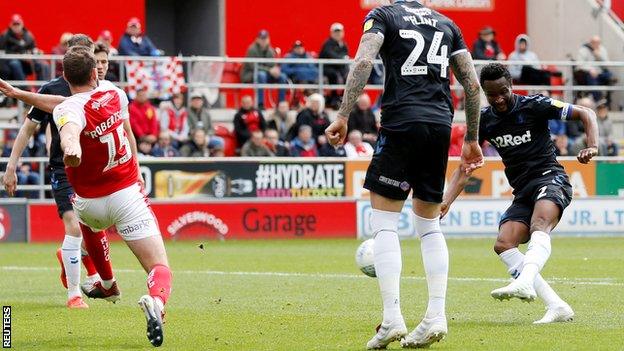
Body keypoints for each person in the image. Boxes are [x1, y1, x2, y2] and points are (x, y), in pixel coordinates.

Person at [324, 1, 484, 348]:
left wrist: (342, 114)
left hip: (401, 121)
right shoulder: (447, 22)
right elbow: (472, 85)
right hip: (440, 124)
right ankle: (435, 316)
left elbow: (365, 60)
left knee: (383, 222)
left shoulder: (383, 15)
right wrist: (471, 138)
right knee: (428, 225)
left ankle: (392, 318)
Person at [443, 63, 598, 326]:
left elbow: (586, 113)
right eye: (492, 95)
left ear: (511, 86)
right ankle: (556, 305)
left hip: (551, 178)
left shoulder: (535, 106)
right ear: (484, 93)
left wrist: (592, 146)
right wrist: (445, 201)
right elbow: (465, 165)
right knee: (504, 243)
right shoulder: (483, 121)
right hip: (523, 190)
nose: (499, 99)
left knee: (540, 224)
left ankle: (524, 282)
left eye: (503, 91)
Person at [52, 46, 171, 347]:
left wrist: (71, 148)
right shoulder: (116, 96)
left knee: (87, 223)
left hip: (90, 204)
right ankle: (156, 303)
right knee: (159, 267)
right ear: (95, 72)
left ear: (65, 77)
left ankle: (107, 284)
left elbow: (69, 128)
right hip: (126, 195)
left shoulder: (66, 108)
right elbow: (121, 133)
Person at [0, 34, 118, 309]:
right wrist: (11, 166)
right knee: (75, 227)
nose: (94, 65)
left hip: (96, 170)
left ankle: (69, 257)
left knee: (95, 229)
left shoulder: (104, 90)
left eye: (91, 57)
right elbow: (28, 128)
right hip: (63, 169)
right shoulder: (52, 89)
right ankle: (75, 295)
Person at [240, 30, 288, 109]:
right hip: (250, 74)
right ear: (257, 39)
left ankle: (281, 105)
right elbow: (253, 66)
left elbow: (272, 65)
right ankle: (260, 104)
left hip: (265, 74)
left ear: (268, 39)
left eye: (265, 38)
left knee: (282, 76)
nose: (263, 41)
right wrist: (269, 70)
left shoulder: (270, 50)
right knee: (261, 75)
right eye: (261, 38)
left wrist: (275, 70)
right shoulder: (252, 49)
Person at [0, 14, 49, 83]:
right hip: (9, 64)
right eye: (14, 24)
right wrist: (20, 56)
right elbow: (3, 53)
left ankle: (43, 88)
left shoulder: (28, 35)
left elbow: (33, 48)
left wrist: (36, 52)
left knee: (43, 64)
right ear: (10, 25)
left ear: (22, 24)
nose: (16, 26)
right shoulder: (4, 36)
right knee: (15, 64)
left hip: (27, 63)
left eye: (18, 24)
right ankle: (25, 88)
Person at [319, 22, 349, 109]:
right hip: (327, 68)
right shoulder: (328, 43)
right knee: (334, 75)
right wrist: (342, 59)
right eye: (336, 32)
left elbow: (345, 56)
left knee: (348, 75)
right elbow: (330, 55)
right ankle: (333, 98)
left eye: (339, 32)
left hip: (338, 68)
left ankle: (343, 98)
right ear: (331, 33)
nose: (338, 34)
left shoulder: (343, 45)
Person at [576, 35, 615, 101]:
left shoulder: (602, 49)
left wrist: (598, 56)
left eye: (598, 42)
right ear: (590, 42)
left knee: (609, 75)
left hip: (600, 73)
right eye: (594, 42)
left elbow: (607, 64)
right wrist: (590, 69)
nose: (596, 44)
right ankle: (599, 100)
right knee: (592, 79)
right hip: (588, 74)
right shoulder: (583, 50)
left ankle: (606, 101)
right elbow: (579, 64)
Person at [187, 92, 225, 156]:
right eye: (195, 100)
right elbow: (188, 128)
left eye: (198, 100)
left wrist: (206, 136)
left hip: (206, 136)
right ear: (191, 102)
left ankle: (217, 161)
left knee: (220, 141)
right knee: (197, 140)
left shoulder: (206, 113)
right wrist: (197, 134)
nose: (197, 102)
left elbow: (211, 129)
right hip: (193, 137)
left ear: (202, 102)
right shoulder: (187, 113)